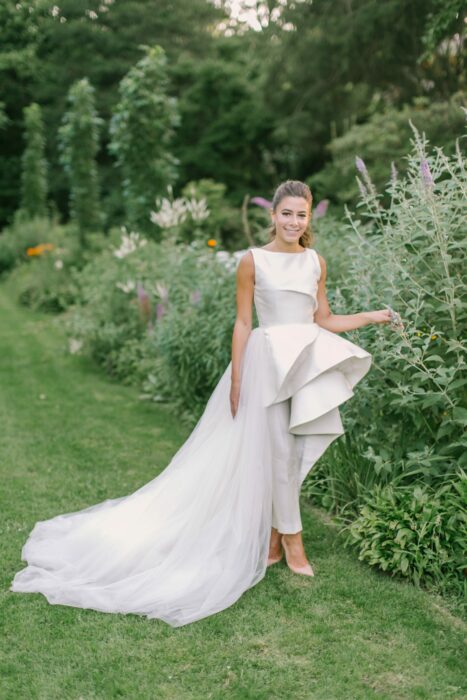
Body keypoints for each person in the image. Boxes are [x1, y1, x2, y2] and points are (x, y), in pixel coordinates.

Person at [10, 180, 392, 627]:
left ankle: (272, 539)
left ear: (310, 218)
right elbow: (244, 322)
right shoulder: (253, 261)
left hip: (304, 361)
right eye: (286, 213)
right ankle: (292, 542)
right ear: (272, 215)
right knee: (277, 451)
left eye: (301, 214)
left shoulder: (315, 262)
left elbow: (322, 319)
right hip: (265, 365)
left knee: (293, 451)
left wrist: (371, 316)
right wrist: (237, 377)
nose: (293, 222)